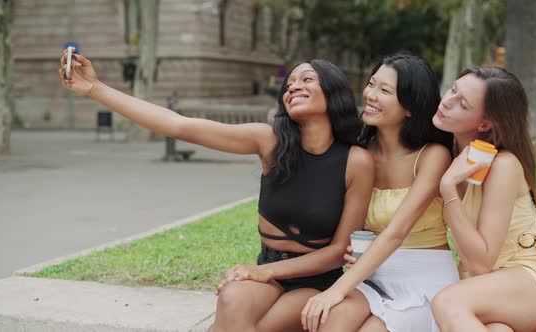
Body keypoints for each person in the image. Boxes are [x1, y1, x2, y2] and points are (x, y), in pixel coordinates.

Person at [58, 52, 375, 331]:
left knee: (254, 326)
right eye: (289, 83)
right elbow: (179, 125)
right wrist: (95, 88)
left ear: (333, 91)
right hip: (267, 268)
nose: (293, 86)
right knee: (233, 299)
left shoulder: (356, 162)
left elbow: (337, 253)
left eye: (307, 79)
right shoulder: (270, 141)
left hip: (315, 280)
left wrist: (263, 273)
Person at [301, 53, 458, 332]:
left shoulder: (433, 155)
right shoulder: (360, 154)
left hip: (422, 278)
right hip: (371, 275)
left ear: (410, 108)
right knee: (329, 321)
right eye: (371, 84)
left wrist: (337, 290)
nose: (371, 95)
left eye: (385, 91)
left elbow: (396, 233)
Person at [430, 66, 536, 332]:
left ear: (484, 124)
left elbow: (481, 263)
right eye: (453, 89)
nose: (447, 101)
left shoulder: (504, 165)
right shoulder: (446, 154)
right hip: (490, 283)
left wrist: (448, 188)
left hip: (527, 273)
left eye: (462, 103)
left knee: (448, 302)